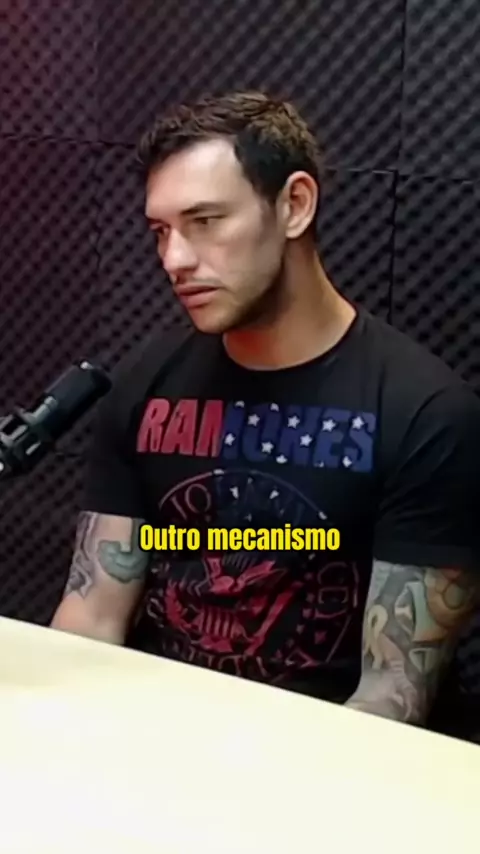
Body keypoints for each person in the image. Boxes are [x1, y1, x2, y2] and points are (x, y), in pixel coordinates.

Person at [51, 90, 480, 726]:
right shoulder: (148, 382)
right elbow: (92, 614)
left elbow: (391, 695)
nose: (174, 259)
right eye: (161, 231)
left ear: (295, 205)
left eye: (205, 221)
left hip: (325, 758)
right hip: (154, 735)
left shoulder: (425, 413)